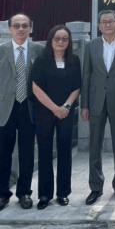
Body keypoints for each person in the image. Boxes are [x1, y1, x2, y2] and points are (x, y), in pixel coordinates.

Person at [81, 10, 115, 205]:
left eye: (111, 21)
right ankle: (95, 187)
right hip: (96, 102)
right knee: (94, 144)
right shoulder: (91, 46)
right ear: (98, 25)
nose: (107, 25)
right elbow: (86, 75)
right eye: (103, 22)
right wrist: (84, 105)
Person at [31, 25, 81, 210]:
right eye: (57, 38)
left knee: (65, 152)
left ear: (69, 42)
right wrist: (54, 108)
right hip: (44, 112)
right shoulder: (41, 61)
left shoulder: (74, 60)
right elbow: (35, 88)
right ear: (50, 40)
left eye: (64, 39)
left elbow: (77, 86)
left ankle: (63, 193)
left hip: (66, 113)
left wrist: (65, 107)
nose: (60, 42)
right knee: (44, 152)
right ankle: (44, 194)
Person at [0, 14, 44, 211]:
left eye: (24, 25)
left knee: (27, 151)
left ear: (31, 28)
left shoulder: (40, 51)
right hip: (5, 108)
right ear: (9, 28)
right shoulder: (1, 51)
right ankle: (2, 193)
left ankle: (24, 193)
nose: (20, 29)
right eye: (16, 26)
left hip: (29, 106)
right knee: (3, 153)